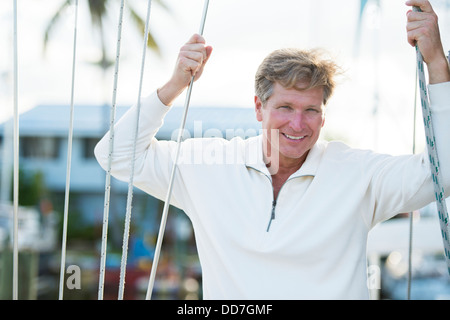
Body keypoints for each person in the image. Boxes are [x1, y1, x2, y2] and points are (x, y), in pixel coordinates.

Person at [95, 0, 450, 299]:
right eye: (285, 108)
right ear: (258, 108)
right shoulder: (207, 164)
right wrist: (174, 86)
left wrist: (436, 64)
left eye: (311, 110)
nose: (298, 124)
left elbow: (442, 174)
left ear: (323, 117)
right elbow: (115, 154)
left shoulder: (359, 174)